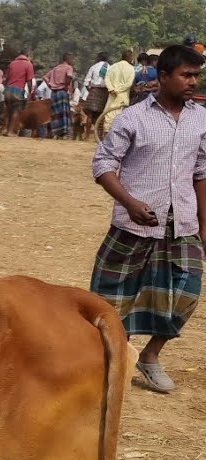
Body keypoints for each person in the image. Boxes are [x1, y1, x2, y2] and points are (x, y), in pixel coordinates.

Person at [90, 45, 206, 393]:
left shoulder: (200, 118)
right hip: (135, 223)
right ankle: (109, 362)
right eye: (186, 75)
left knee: (187, 292)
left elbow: (202, 171)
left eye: (196, 75)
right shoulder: (133, 118)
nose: (193, 81)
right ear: (163, 76)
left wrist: (204, 226)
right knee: (111, 299)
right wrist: (129, 202)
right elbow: (103, 165)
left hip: (182, 223)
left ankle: (151, 355)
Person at [99, 48, 135, 134]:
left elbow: (107, 78)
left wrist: (111, 89)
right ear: (130, 58)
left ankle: (106, 133)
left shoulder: (113, 66)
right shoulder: (130, 68)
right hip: (122, 95)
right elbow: (129, 83)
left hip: (112, 94)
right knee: (120, 115)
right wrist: (118, 90)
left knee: (109, 114)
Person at [44, 53, 75, 138]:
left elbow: (45, 77)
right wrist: (66, 84)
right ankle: (65, 133)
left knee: (55, 113)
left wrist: (50, 85)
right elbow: (69, 76)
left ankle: (55, 133)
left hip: (54, 92)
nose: (72, 61)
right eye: (71, 59)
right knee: (64, 112)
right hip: (62, 91)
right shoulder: (69, 67)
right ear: (68, 59)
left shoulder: (55, 68)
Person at [3, 51, 33, 134]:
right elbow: (29, 81)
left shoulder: (12, 64)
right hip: (18, 90)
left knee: (9, 111)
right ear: (27, 55)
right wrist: (29, 93)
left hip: (8, 89)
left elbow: (6, 78)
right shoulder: (28, 64)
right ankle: (10, 131)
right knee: (16, 110)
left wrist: (4, 89)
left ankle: (5, 129)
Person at [82, 52, 109, 128]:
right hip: (105, 92)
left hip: (94, 91)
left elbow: (86, 82)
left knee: (90, 115)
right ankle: (98, 135)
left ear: (98, 58)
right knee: (102, 115)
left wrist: (90, 91)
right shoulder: (110, 68)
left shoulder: (93, 67)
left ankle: (87, 136)